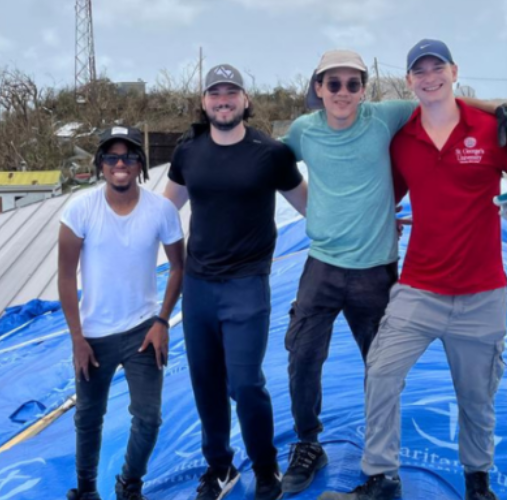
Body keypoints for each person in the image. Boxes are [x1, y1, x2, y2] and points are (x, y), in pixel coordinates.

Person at [278, 49, 507, 494]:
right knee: (304, 355)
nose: (343, 92)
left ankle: (435, 475)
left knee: (387, 369)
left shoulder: (386, 118)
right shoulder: (302, 131)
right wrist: (310, 208)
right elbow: (273, 168)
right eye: (332, 84)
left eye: (352, 84)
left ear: (365, 89)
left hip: (377, 267)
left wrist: (503, 109)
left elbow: (441, 99)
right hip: (323, 263)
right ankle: (311, 444)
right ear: (317, 88)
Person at [162, 64, 308, 500]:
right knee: (206, 381)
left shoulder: (271, 153)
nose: (222, 100)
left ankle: (266, 469)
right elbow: (163, 213)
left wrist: (374, 220)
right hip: (199, 285)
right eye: (214, 93)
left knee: (245, 383)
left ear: (245, 100)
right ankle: (220, 467)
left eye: (231, 93)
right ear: (204, 102)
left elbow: (313, 209)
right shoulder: (189, 151)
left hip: (247, 284)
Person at [59, 126, 186, 500]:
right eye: (112, 157)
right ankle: (85, 491)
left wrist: (162, 322)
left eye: (129, 157)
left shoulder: (161, 210)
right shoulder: (80, 209)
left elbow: (179, 266)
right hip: (94, 335)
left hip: (143, 331)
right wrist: (77, 338)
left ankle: (129, 484)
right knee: (88, 418)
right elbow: (66, 275)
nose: (120, 163)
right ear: (100, 165)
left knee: (148, 418)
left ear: (140, 165)